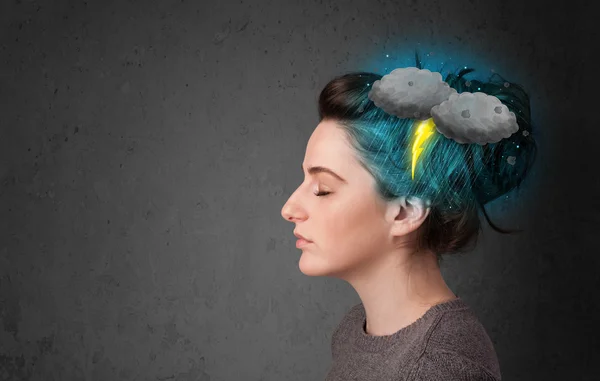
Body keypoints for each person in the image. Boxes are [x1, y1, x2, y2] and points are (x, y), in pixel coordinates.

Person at [280, 55, 537, 380]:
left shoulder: (437, 367)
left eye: (322, 189)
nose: (289, 208)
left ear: (406, 210)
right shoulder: (356, 331)